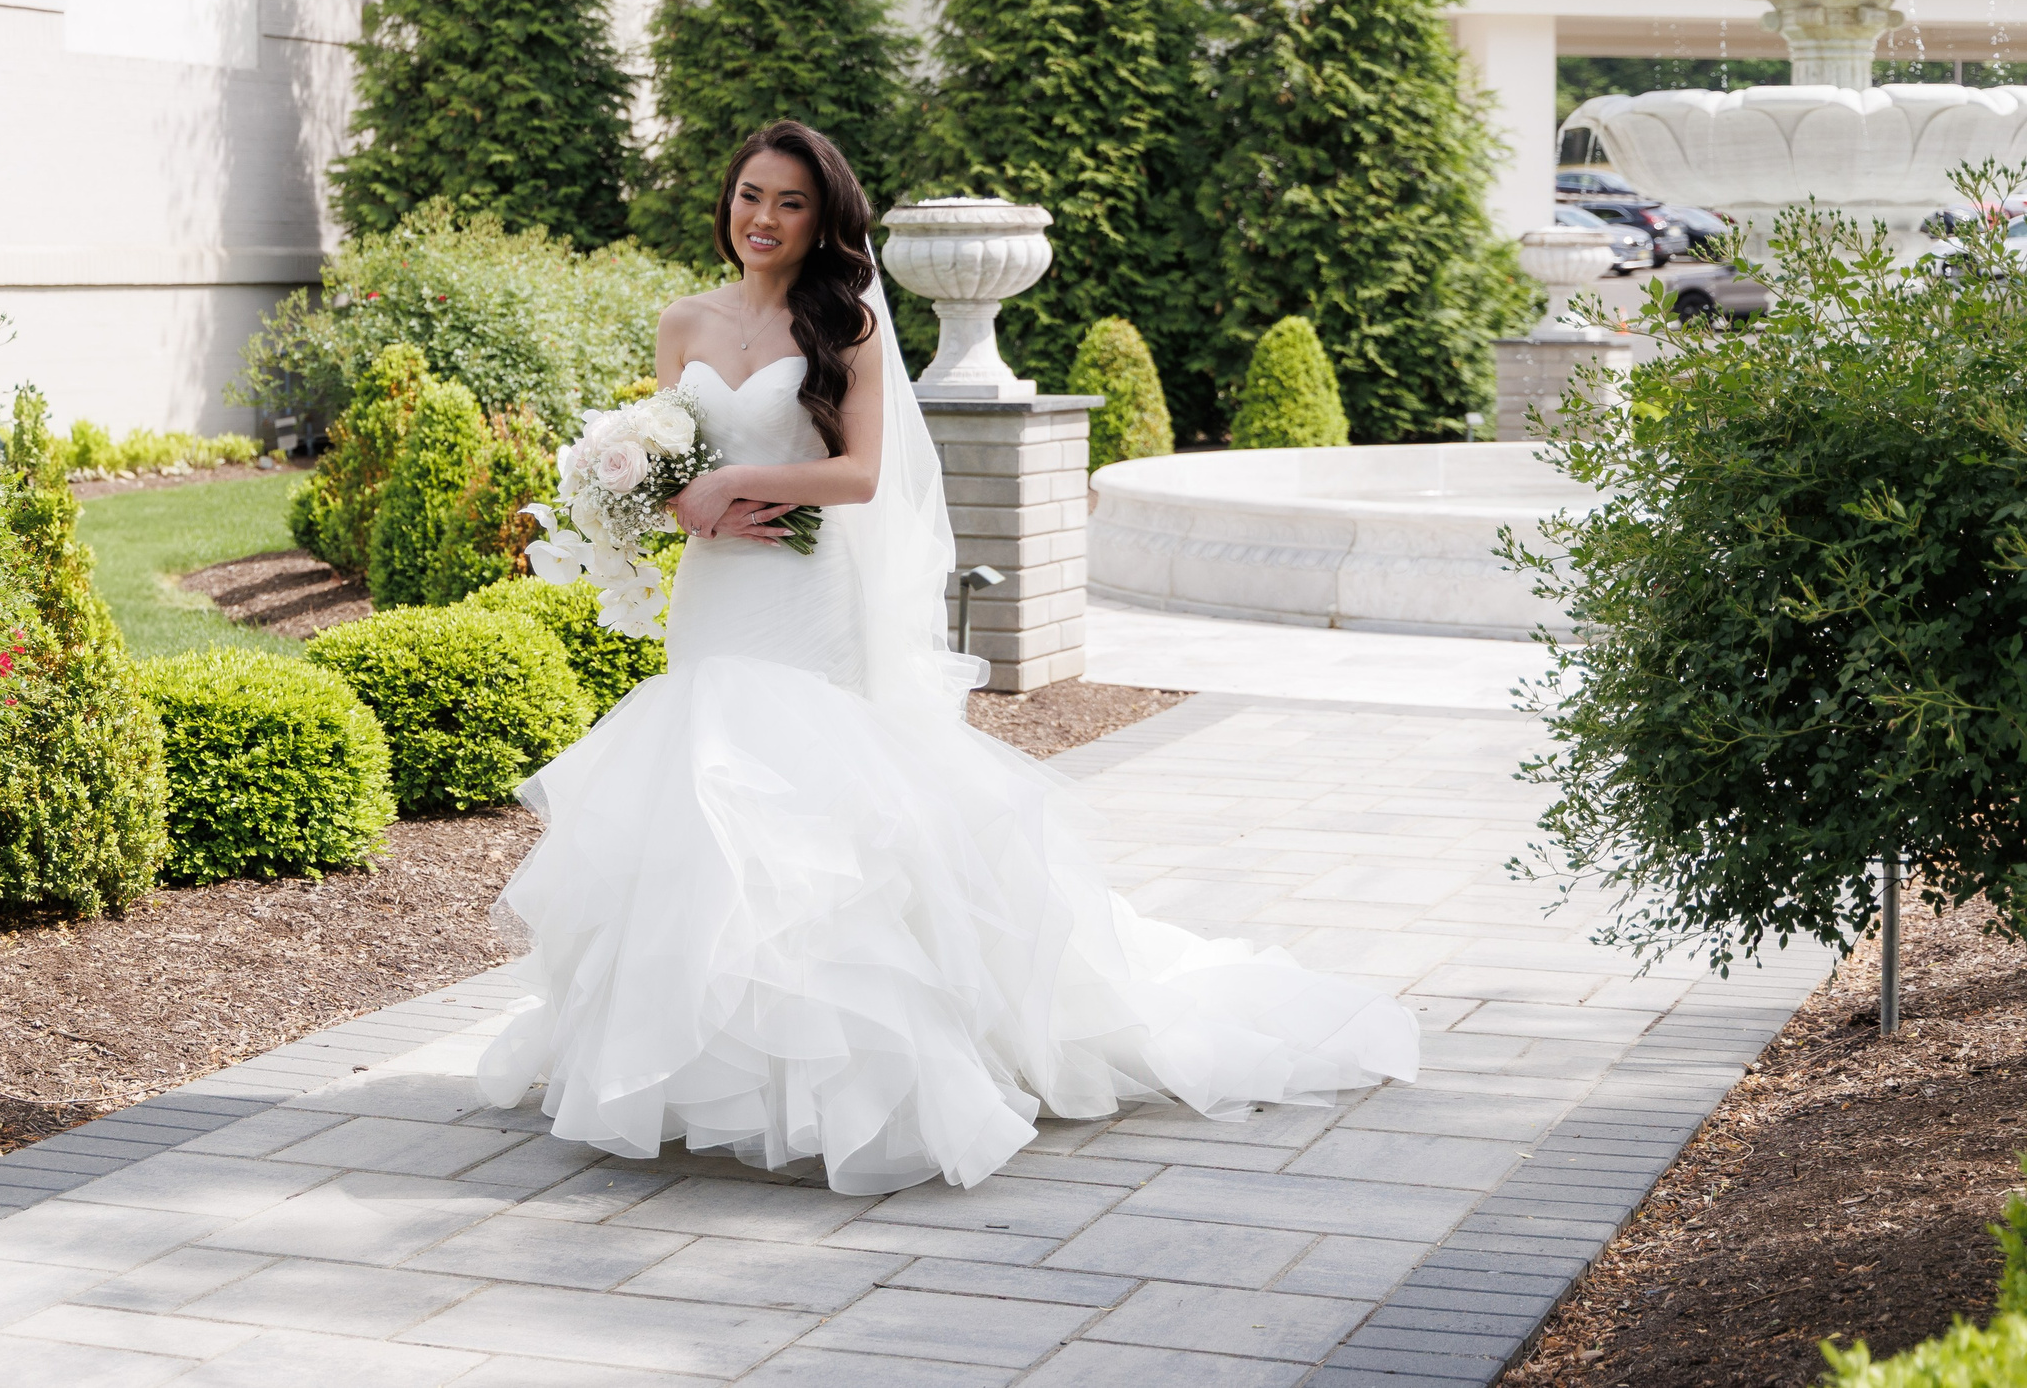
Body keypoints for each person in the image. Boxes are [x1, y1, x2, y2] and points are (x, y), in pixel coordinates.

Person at [477, 121, 1418, 1195]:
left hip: (803, 587)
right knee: (701, 791)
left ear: (822, 217)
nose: (762, 220)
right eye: (749, 196)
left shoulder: (849, 321)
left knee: (807, 802)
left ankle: (850, 1071)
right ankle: (692, 1068)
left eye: (788, 203)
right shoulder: (681, 320)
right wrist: (664, 500)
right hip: (720, 590)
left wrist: (730, 489)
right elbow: (671, 458)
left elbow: (865, 474)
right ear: (725, 202)